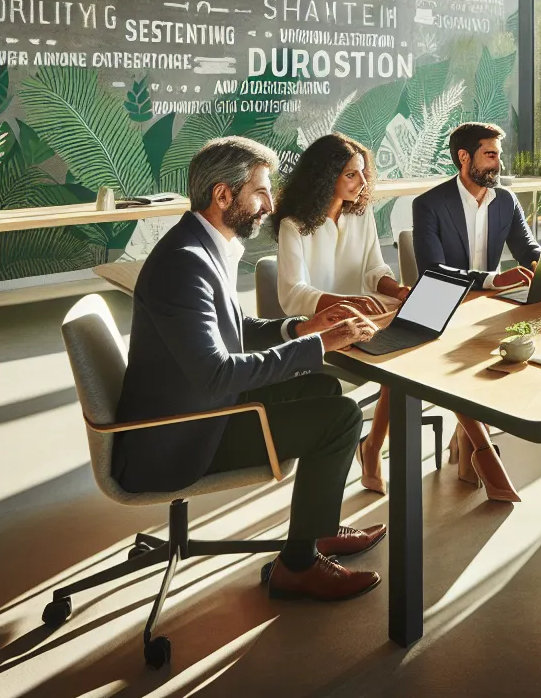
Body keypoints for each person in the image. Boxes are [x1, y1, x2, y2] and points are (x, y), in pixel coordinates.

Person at [113, 136, 386, 602]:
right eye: (260, 192)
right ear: (223, 195)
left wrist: (301, 328)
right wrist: (320, 343)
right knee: (340, 420)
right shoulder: (185, 264)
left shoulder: (200, 245)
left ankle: (315, 529)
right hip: (181, 435)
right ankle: (296, 567)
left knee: (321, 390)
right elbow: (217, 374)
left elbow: (236, 326)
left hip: (201, 410)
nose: (270, 203)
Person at [271, 132, 413, 496]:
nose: (362, 183)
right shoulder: (294, 225)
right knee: (401, 366)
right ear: (325, 176)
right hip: (322, 335)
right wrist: (346, 303)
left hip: (364, 323)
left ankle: (372, 447)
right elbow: (293, 295)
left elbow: (373, 269)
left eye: (363, 173)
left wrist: (396, 290)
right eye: (351, 174)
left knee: (412, 353)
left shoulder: (360, 216)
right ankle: (372, 449)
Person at [409, 121, 540, 503]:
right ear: (464, 157)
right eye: (491, 154)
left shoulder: (505, 201)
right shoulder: (429, 205)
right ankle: (479, 453)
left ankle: (466, 447)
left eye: (499, 154)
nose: (499, 163)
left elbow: (528, 250)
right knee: (460, 357)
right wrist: (492, 280)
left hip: (487, 303)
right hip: (439, 301)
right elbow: (432, 271)